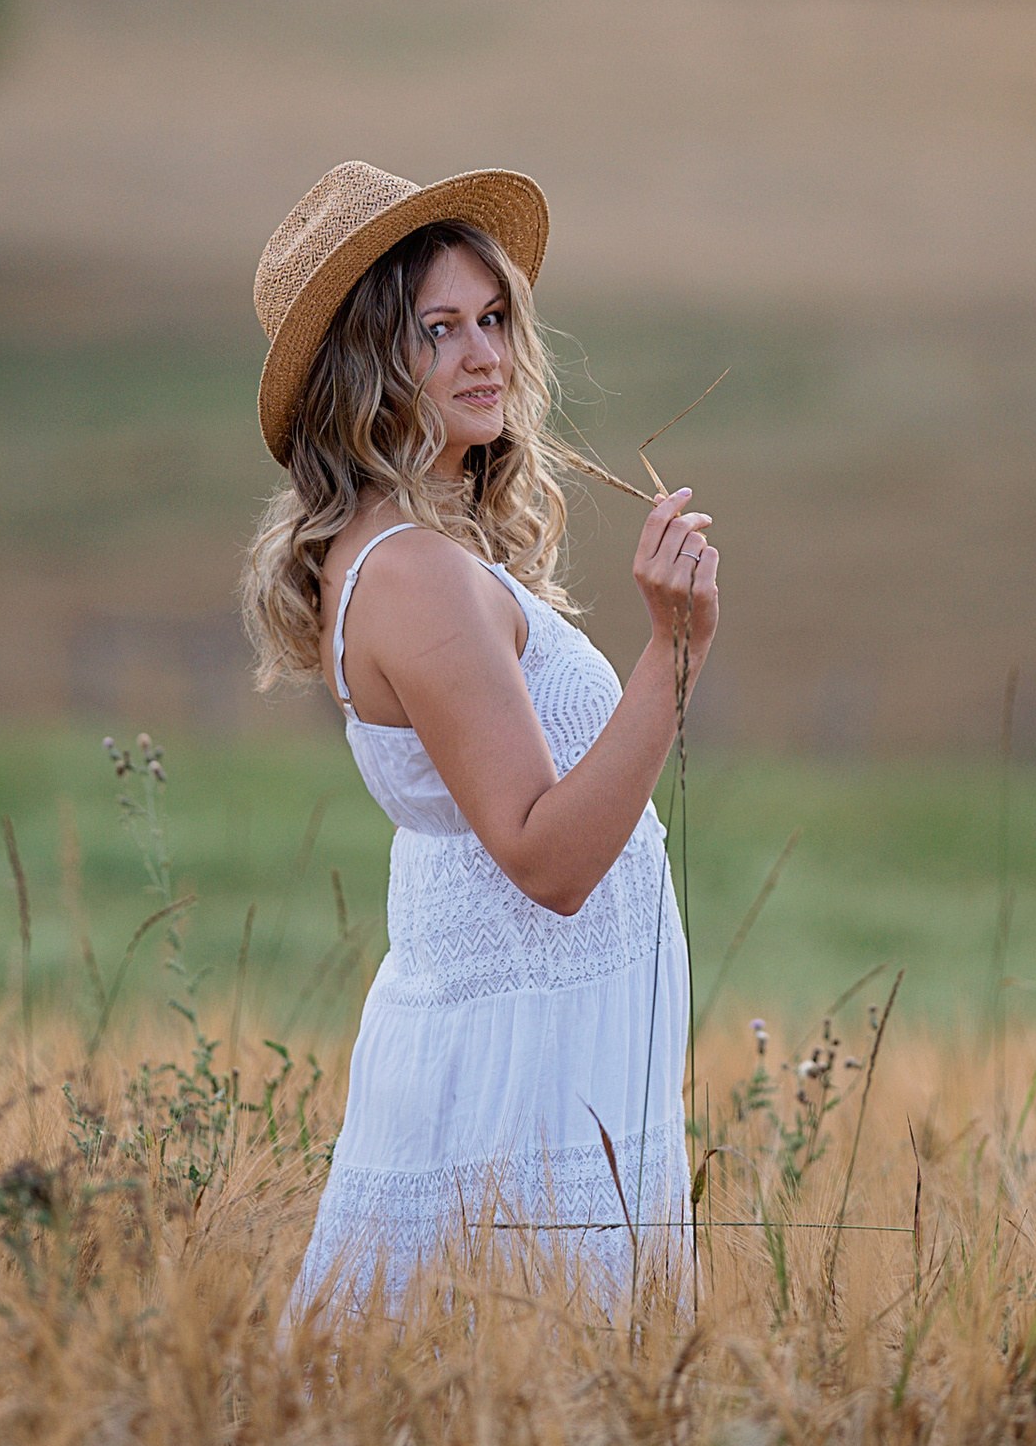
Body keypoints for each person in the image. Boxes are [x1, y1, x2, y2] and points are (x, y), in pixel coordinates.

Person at [239, 160, 717, 1313]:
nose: (484, 354)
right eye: (437, 330)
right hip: (521, 1079)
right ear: (365, 365)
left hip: (549, 1052)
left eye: (493, 318)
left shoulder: (427, 555)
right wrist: (675, 650)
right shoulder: (413, 578)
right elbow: (545, 857)